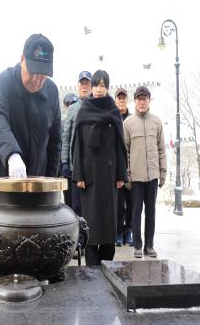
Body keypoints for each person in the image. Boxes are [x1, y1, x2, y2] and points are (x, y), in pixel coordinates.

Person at [0, 33, 61, 202]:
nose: (36, 80)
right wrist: (12, 154)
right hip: (5, 178)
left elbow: (55, 142)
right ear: (22, 60)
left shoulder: (52, 92)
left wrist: (50, 183)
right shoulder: (4, 82)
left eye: (42, 75)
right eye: (33, 72)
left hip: (37, 180)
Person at [72, 70, 127, 266]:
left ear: (107, 87)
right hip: (89, 177)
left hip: (110, 176)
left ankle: (107, 264)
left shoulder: (114, 111)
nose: (99, 89)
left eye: (103, 85)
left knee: (108, 224)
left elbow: (120, 146)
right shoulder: (84, 110)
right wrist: (78, 174)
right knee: (91, 225)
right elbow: (77, 144)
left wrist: (122, 174)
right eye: (96, 85)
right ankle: (92, 268)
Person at [123, 86, 167, 258]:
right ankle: (137, 245)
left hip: (153, 176)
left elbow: (162, 149)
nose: (142, 102)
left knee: (151, 212)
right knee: (135, 212)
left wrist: (162, 172)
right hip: (136, 177)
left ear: (149, 100)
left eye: (145, 99)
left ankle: (149, 245)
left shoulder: (156, 122)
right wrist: (126, 175)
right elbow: (125, 151)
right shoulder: (128, 123)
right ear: (135, 101)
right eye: (139, 99)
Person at [61, 71, 92, 216]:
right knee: (76, 207)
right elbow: (66, 138)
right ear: (78, 85)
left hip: (93, 167)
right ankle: (77, 238)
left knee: (92, 207)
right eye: (82, 84)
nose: (84, 87)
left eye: (87, 84)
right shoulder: (72, 109)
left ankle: (93, 238)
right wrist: (64, 162)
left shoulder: (96, 106)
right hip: (76, 168)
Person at [114, 88, 133, 247]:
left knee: (132, 203)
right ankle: (118, 233)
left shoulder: (132, 119)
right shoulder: (112, 117)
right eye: (118, 98)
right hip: (117, 168)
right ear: (115, 100)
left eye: (123, 98)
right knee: (119, 205)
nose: (121, 100)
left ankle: (129, 232)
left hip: (132, 167)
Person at [60, 92, 78, 207]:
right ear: (65, 106)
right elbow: (60, 145)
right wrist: (62, 165)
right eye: (68, 104)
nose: (71, 106)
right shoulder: (61, 124)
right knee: (68, 203)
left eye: (73, 103)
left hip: (77, 168)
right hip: (66, 169)